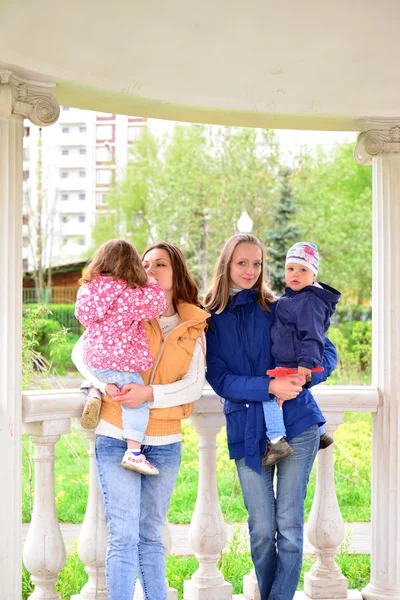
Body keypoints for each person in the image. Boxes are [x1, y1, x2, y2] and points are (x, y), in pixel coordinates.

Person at [72, 242, 209, 600]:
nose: (150, 270)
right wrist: (107, 385)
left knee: (150, 535)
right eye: (144, 264)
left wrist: (148, 394)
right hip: (116, 433)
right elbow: (81, 351)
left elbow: (194, 385)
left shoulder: (193, 322)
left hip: (164, 442)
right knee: (122, 535)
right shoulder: (126, 305)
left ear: (176, 272)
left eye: (160, 264)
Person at [204, 233, 337, 600]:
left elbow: (327, 352)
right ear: (227, 265)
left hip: (296, 424)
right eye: (242, 263)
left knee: (289, 527)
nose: (251, 271)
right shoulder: (211, 320)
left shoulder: (279, 306)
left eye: (258, 263)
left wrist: (305, 375)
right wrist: (268, 388)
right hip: (247, 432)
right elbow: (219, 378)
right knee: (262, 530)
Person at [74, 239, 168, 475]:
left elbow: (81, 316)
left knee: (106, 378)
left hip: (93, 358)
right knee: (135, 401)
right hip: (119, 362)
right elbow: (157, 304)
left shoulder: (88, 289)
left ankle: (94, 390)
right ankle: (134, 453)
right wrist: (150, 281)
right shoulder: (129, 294)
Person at [261, 241, 341, 466]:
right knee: (296, 393)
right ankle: (321, 429)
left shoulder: (309, 301)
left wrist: (307, 361)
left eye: (303, 270)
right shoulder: (296, 298)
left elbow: (314, 333)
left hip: (295, 362)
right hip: (292, 359)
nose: (295, 274)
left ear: (313, 274)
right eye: (290, 269)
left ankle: (276, 440)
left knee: (269, 395)